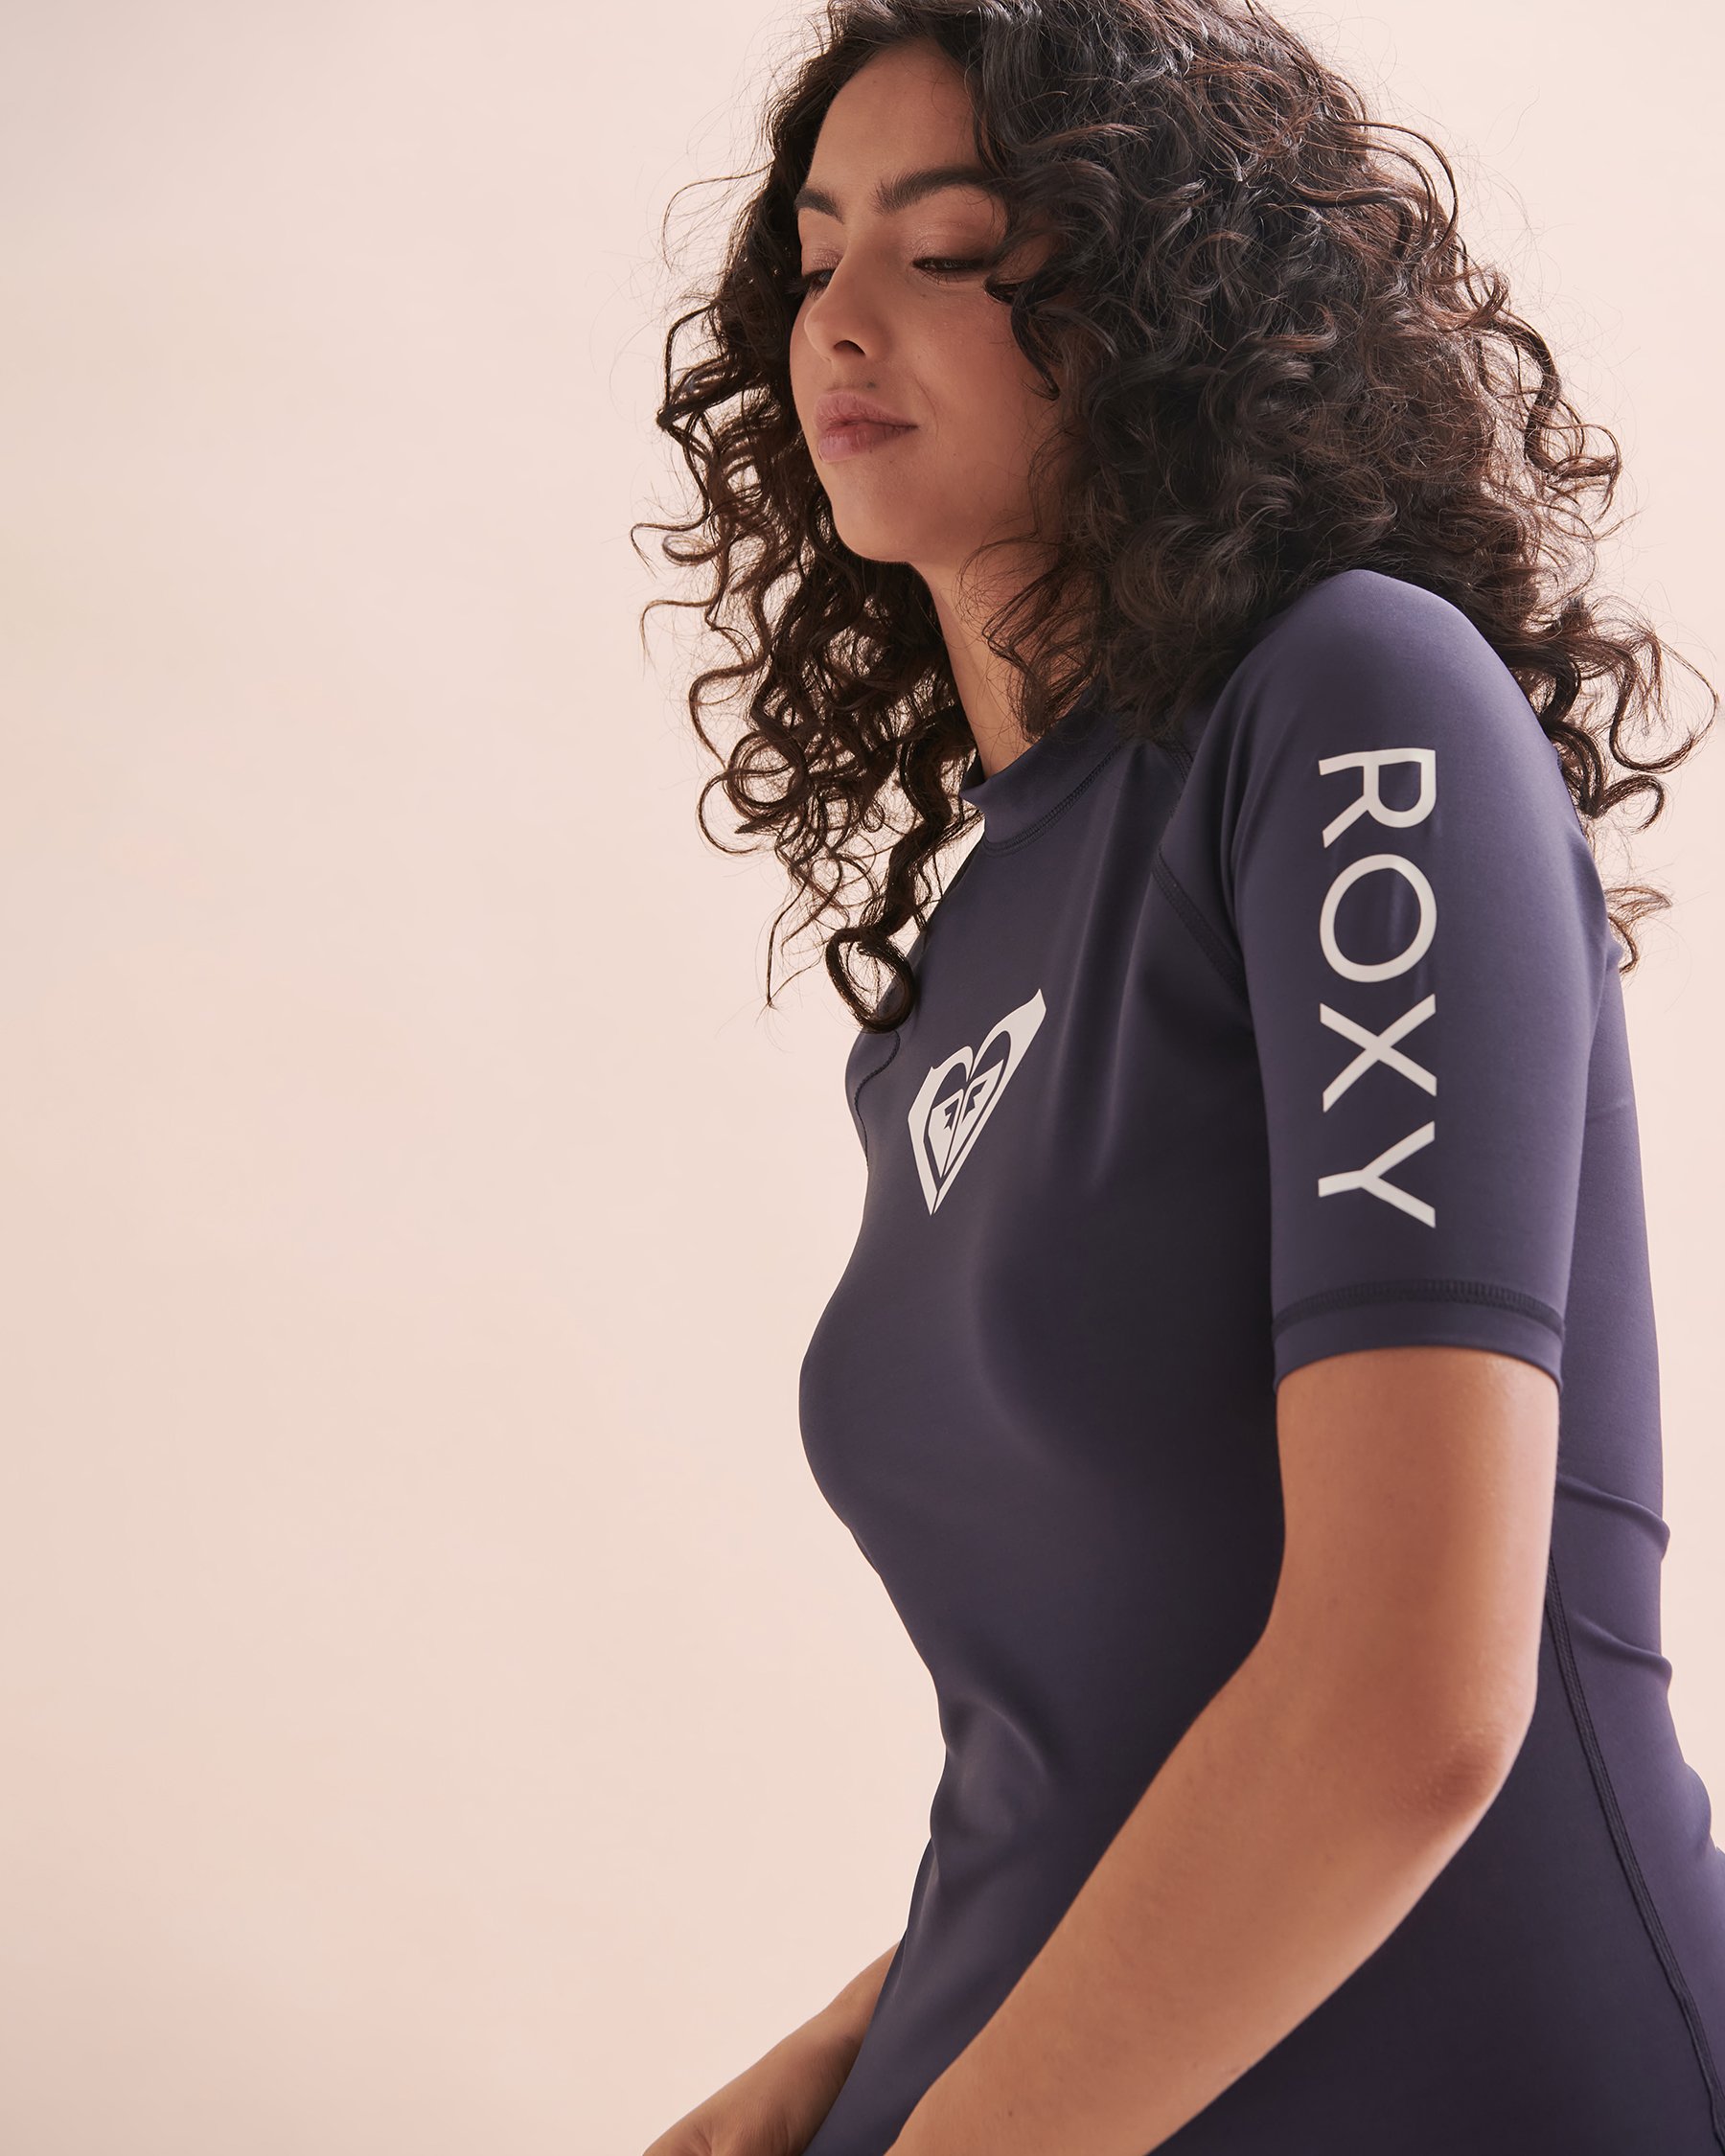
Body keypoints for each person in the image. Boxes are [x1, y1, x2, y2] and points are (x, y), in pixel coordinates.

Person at [634, 1, 1725, 2150]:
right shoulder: (972, 951)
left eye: (947, 248)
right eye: (818, 252)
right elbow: (1097, 1723)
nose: (839, 313)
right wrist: (829, 2064)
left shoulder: (1355, 709)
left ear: (1165, 303)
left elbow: (1408, 1699)